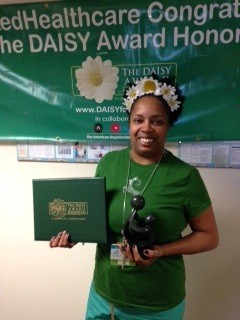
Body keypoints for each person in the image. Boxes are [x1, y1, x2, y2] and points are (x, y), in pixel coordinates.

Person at [50, 76, 219, 320]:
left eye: (157, 121)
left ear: (168, 125)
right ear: (129, 123)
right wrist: (75, 234)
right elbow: (95, 219)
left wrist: (161, 250)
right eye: (138, 120)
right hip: (104, 298)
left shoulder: (185, 176)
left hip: (157, 306)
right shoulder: (108, 164)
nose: (146, 128)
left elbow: (209, 237)